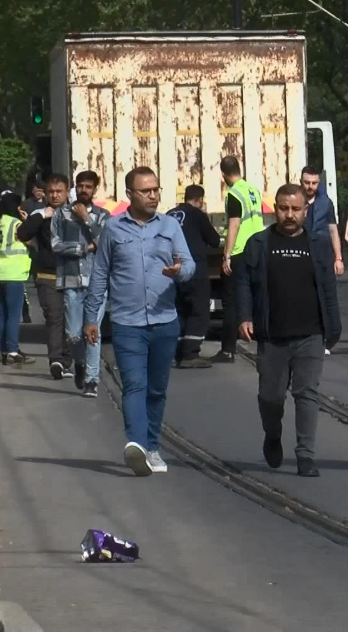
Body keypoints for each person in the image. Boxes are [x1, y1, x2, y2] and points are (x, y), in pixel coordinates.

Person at [85, 166, 195, 477]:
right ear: (130, 194)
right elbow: (100, 275)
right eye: (146, 191)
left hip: (164, 321)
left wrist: (179, 271)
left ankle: (152, 446)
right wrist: (91, 317)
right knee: (134, 384)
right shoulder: (114, 229)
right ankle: (137, 446)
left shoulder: (171, 226)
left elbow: (189, 264)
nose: (153, 195)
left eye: (156, 189)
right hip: (126, 322)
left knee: (157, 390)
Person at [238, 184, 341, 477]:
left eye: (296, 209)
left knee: (307, 394)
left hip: (310, 334)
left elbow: (328, 289)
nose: (289, 214)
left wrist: (333, 326)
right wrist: (245, 316)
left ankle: (305, 455)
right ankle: (273, 434)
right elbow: (245, 282)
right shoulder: (259, 243)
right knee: (271, 397)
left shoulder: (318, 244)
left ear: (305, 211)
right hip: (272, 335)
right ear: (275, 209)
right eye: (284, 208)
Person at [51, 170, 111, 397]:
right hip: (71, 280)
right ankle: (80, 363)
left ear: (95, 189)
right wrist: (83, 248)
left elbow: (106, 244)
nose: (84, 190)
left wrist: (87, 219)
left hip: (97, 283)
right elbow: (56, 244)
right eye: (80, 186)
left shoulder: (103, 216)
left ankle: (92, 381)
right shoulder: (62, 214)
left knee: (92, 334)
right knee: (73, 335)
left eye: (88, 186)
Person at [16, 174, 71, 380]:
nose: (55, 195)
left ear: (67, 192)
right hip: (47, 275)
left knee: (72, 321)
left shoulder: (76, 213)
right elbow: (22, 234)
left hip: (74, 276)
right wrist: (42, 216)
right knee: (54, 317)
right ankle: (56, 360)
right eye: (51, 192)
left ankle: (68, 360)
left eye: (59, 191)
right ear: (45, 194)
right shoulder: (40, 214)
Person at [216, 156, 264, 364]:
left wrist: (226, 255)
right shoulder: (252, 190)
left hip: (239, 251)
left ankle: (228, 350)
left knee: (231, 302)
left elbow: (234, 225)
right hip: (257, 248)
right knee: (256, 297)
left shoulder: (233, 194)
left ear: (224, 175)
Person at [167, 184, 221, 368]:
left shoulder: (169, 214)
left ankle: (178, 352)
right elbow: (214, 241)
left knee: (180, 309)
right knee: (198, 310)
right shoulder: (198, 214)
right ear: (200, 200)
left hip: (174, 268)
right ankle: (190, 354)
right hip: (195, 268)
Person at [0, 192, 34, 365]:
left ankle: (3, 350)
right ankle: (13, 351)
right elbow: (30, 240)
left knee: (2, 313)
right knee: (13, 315)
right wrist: (27, 220)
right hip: (13, 274)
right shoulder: (17, 224)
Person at [299, 166, 345, 276]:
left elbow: (333, 231)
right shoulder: (294, 201)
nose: (310, 186)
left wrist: (338, 258)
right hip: (300, 255)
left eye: (314, 183)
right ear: (300, 181)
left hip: (322, 256)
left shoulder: (326, 203)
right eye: (307, 182)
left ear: (318, 182)